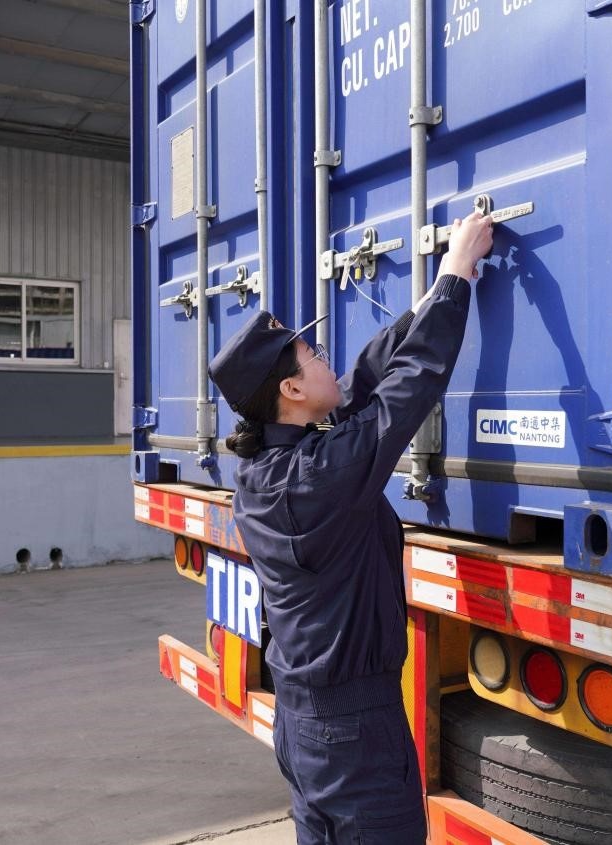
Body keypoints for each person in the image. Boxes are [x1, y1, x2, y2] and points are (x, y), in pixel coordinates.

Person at [208, 212, 494, 843]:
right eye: (312, 355)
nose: (324, 356)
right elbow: (405, 395)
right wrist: (453, 279)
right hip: (353, 729)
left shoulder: (274, 467)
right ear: (290, 388)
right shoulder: (313, 478)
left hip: (310, 721)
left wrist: (428, 302)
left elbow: (365, 384)